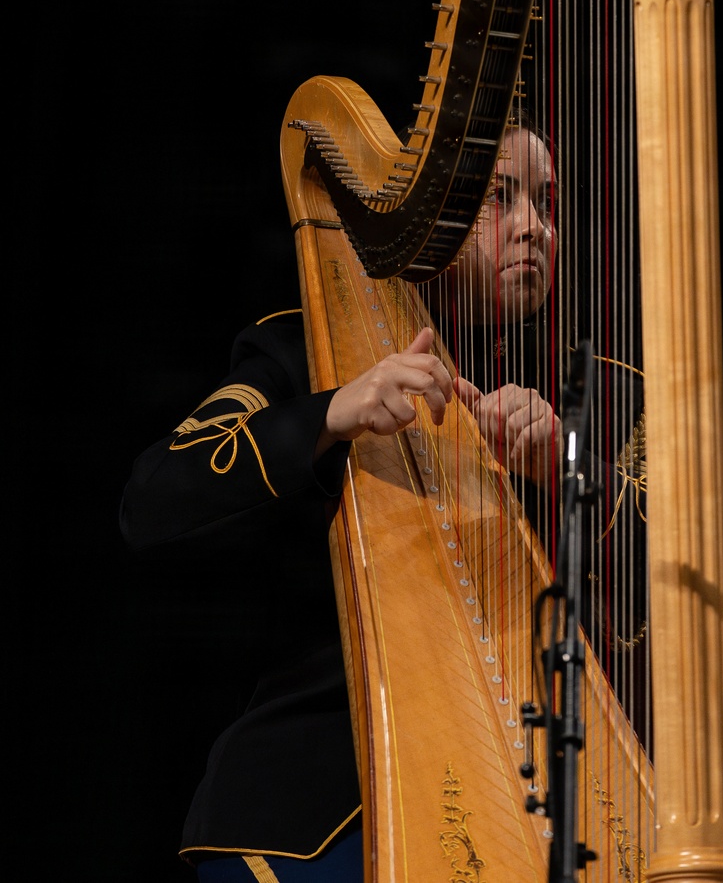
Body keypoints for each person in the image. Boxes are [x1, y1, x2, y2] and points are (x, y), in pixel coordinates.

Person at [120, 123, 560, 881]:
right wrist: (330, 413)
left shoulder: (589, 382)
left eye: (547, 204)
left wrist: (562, 463)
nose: (533, 227)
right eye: (501, 199)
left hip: (534, 796)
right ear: (427, 218)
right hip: (321, 806)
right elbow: (154, 498)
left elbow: (665, 571)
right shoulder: (304, 345)